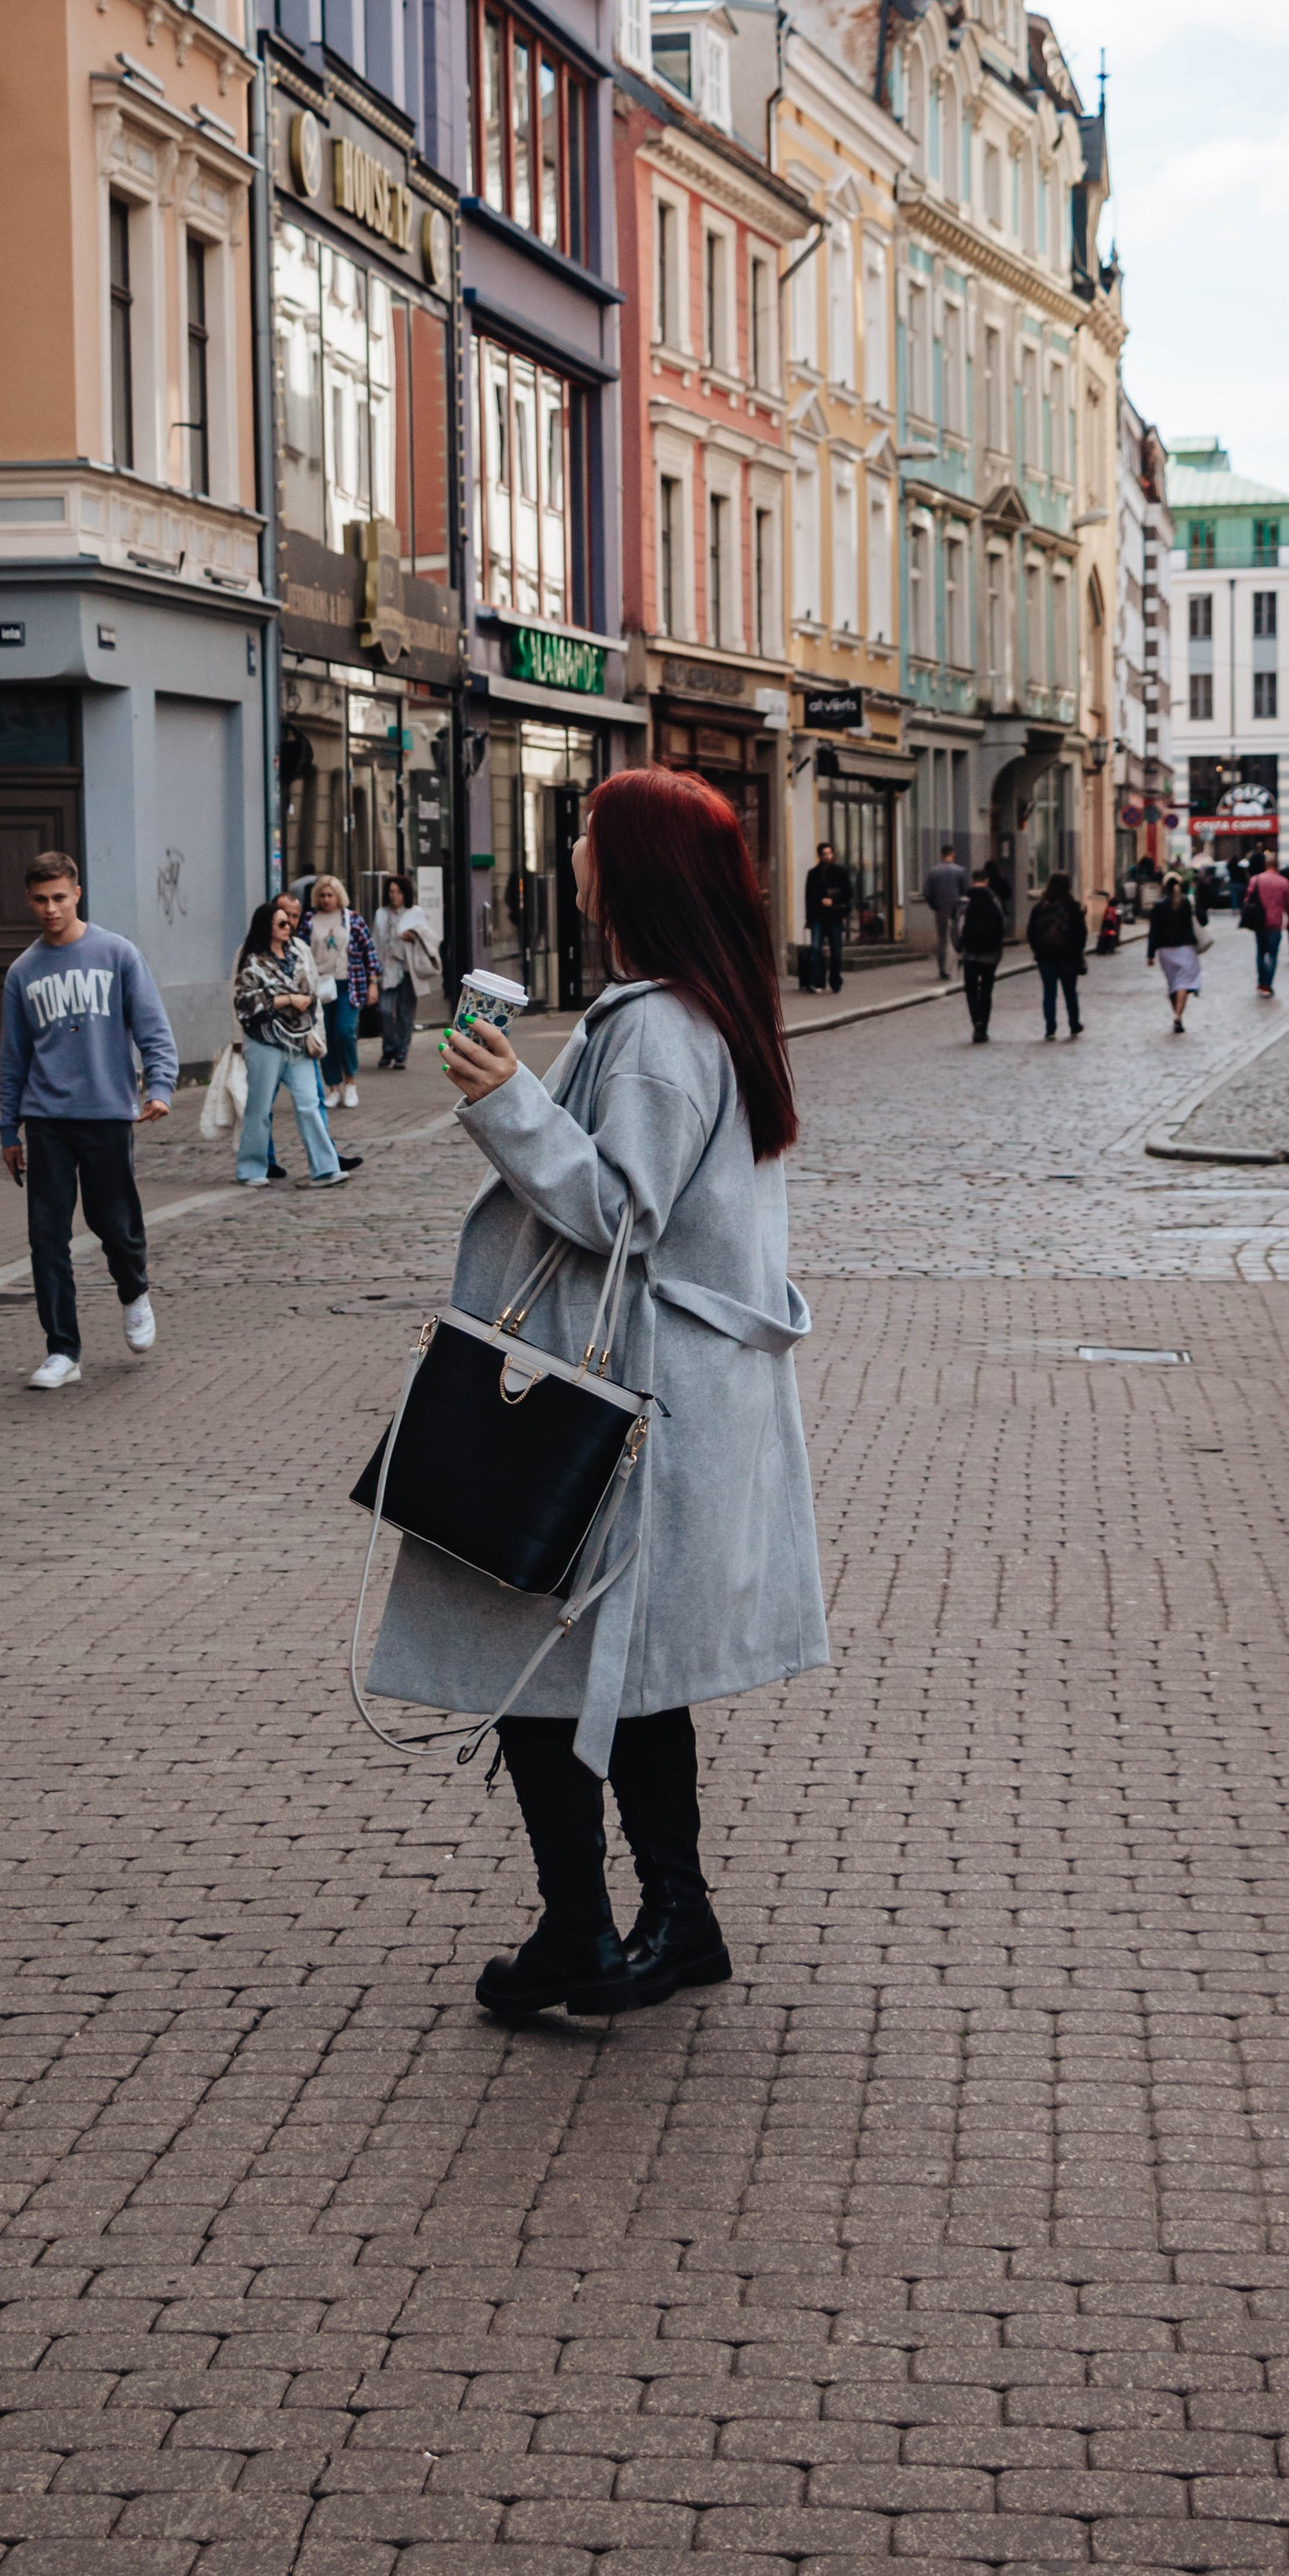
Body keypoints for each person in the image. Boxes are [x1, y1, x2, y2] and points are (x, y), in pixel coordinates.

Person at [365, 766, 826, 2021]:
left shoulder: (659, 1034)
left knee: (547, 1657)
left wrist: (506, 1099)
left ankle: (596, 1924)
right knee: (618, 1667)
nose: (570, 846)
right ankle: (667, 1917)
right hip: (651, 1395)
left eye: (585, 830)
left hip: (619, 1403)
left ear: (630, 868)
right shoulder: (685, 1012)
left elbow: (622, 1214)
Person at [0, 850, 178, 1390]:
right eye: (39, 899)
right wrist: (8, 1129)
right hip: (46, 1118)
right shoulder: (22, 973)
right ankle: (63, 1350)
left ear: (77, 894)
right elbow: (13, 1059)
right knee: (46, 1237)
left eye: (59, 897)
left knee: (114, 1225)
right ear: (29, 901)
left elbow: (153, 1030)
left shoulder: (116, 954)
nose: (50, 908)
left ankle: (134, 1291)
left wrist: (161, 1087)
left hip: (106, 1113)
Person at [233, 893, 357, 1189]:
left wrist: (313, 1023)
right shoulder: (252, 961)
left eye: (289, 922)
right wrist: (287, 999)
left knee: (309, 1104)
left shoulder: (298, 954)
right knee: (259, 1108)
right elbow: (245, 1003)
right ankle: (251, 1167)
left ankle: (325, 1168)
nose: (288, 927)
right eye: (281, 923)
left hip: (300, 1040)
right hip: (264, 1043)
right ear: (267, 927)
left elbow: (312, 992)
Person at [303, 875, 379, 1108]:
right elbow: (301, 952)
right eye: (323, 896)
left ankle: (351, 1082)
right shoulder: (309, 920)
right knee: (325, 1036)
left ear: (339, 896)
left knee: (344, 1032)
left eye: (331, 895)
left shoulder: (352, 919)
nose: (326, 900)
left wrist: (373, 982)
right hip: (320, 986)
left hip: (349, 984)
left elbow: (369, 951)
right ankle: (334, 1086)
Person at [373, 873, 440, 1071]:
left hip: (408, 969)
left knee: (405, 1013)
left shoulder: (415, 912)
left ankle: (401, 1052)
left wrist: (413, 936)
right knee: (385, 1010)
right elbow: (375, 940)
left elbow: (429, 937)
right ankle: (389, 1048)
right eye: (391, 892)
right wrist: (374, 968)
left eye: (398, 892)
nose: (394, 896)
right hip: (386, 968)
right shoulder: (381, 914)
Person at [1025, 870, 1087, 1041]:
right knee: (1070, 993)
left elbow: (1030, 933)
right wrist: (1078, 953)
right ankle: (1074, 1024)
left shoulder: (1040, 908)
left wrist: (1037, 952)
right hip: (1068, 958)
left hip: (1046, 958)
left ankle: (1050, 1028)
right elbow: (1081, 934)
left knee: (1049, 993)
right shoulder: (1073, 907)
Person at [1146, 873, 1202, 1033]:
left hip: (1166, 951)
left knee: (1173, 985)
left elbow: (1153, 931)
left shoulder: (1159, 905)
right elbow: (1197, 922)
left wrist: (1150, 954)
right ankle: (1178, 1015)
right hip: (1185, 949)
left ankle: (1177, 1014)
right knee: (1183, 984)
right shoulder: (1185, 902)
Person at [957, 872, 1005, 1042]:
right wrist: (999, 946)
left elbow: (958, 926)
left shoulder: (964, 901)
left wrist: (959, 947)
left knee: (971, 990)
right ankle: (983, 1026)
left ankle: (976, 1021)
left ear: (972, 881)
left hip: (970, 953)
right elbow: (1001, 923)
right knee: (986, 991)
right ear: (987, 881)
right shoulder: (995, 900)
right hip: (991, 954)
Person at [803, 840, 851, 994]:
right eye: (824, 854)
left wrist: (833, 900)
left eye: (830, 853)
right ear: (819, 855)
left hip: (834, 918)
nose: (827, 856)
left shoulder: (840, 872)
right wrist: (809, 919)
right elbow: (808, 898)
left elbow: (849, 893)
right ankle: (818, 982)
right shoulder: (813, 874)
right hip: (818, 917)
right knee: (816, 950)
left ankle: (835, 981)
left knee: (836, 952)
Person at [1245, 853, 1289, 996]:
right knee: (1273, 955)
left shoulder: (1256, 880)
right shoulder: (1284, 882)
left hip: (1259, 922)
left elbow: (1248, 899)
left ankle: (1261, 983)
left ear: (1266, 865)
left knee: (1260, 952)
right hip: (1275, 923)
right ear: (1277, 866)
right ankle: (1268, 985)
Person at [923, 844, 970, 978]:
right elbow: (966, 892)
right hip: (957, 910)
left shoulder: (933, 872)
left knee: (942, 940)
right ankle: (956, 966)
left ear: (942, 855)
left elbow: (927, 894)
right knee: (957, 936)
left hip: (941, 910)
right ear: (952, 854)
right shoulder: (960, 871)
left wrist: (935, 906)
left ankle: (942, 970)